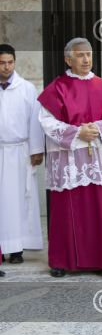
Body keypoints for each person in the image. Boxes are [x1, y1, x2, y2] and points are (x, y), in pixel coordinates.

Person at [37, 37, 102, 278]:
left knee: (98, 206)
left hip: (94, 156)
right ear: (68, 59)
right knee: (67, 206)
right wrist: (77, 132)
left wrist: (96, 131)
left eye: (89, 54)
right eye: (80, 55)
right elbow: (46, 120)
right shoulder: (58, 88)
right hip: (67, 160)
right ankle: (62, 261)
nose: (86, 59)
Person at [0, 43, 45, 265]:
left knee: (19, 199)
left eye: (10, 62)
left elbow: (34, 120)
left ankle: (16, 249)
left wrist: (36, 149)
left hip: (19, 151)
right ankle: (1, 247)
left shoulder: (26, 88)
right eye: (2, 63)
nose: (6, 67)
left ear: (15, 62)